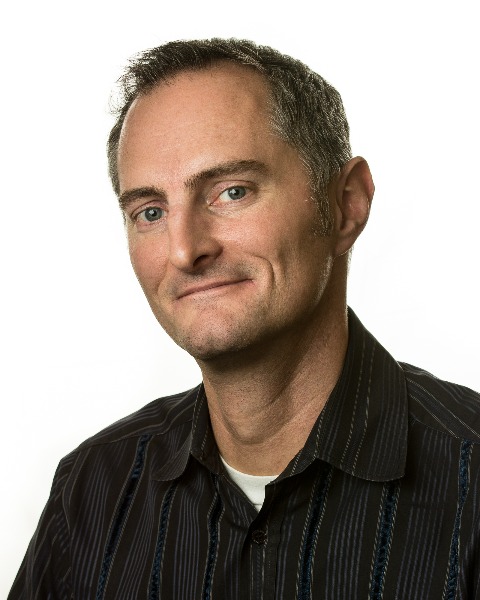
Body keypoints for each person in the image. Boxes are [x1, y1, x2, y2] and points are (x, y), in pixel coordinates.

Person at [9, 38, 480, 599]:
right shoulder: (91, 490)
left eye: (232, 192)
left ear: (346, 204)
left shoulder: (471, 479)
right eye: (150, 212)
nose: (185, 250)